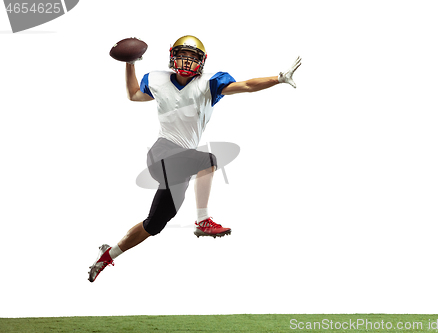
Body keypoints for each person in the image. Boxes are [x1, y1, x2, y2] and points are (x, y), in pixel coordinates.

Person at [88, 35, 301, 282]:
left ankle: (107, 255)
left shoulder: (209, 84)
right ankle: (203, 220)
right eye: (182, 55)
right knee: (207, 159)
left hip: (181, 163)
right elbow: (134, 94)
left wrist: (277, 78)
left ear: (201, 61)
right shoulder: (157, 79)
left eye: (192, 57)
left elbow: (246, 85)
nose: (187, 61)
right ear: (172, 57)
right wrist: (130, 63)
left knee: (155, 224)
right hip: (162, 152)